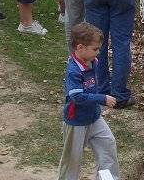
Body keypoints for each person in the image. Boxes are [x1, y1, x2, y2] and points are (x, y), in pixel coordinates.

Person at [57, 22, 119, 180]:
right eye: (95, 49)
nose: (98, 53)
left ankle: (108, 177)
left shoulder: (92, 62)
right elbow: (77, 97)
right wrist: (102, 98)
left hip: (94, 118)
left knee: (108, 144)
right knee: (72, 160)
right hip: (76, 122)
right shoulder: (74, 71)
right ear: (80, 48)